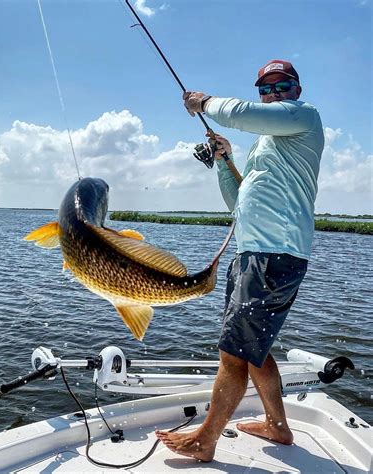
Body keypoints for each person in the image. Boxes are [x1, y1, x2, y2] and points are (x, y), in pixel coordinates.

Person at [155, 59, 324, 461]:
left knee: (233, 353)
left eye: (282, 86)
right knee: (254, 347)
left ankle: (205, 438)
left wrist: (205, 102)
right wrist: (223, 159)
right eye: (266, 89)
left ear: (296, 91)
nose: (274, 94)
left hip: (272, 255)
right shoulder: (267, 147)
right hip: (253, 254)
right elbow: (240, 201)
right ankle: (277, 427)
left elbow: (245, 114)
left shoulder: (304, 117)